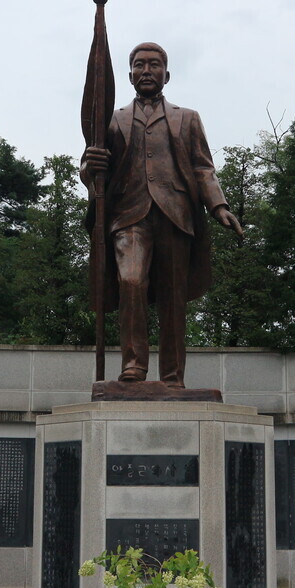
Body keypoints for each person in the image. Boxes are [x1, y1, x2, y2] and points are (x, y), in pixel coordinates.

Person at [82, 42, 243, 388]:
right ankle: (134, 367)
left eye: (154, 65)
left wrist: (219, 206)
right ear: (129, 76)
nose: (146, 71)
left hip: (175, 215)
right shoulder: (112, 121)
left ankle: (172, 377)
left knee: (173, 298)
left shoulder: (188, 118)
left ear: (166, 74)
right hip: (128, 215)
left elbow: (204, 168)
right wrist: (89, 167)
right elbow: (91, 165)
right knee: (131, 282)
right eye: (139, 65)